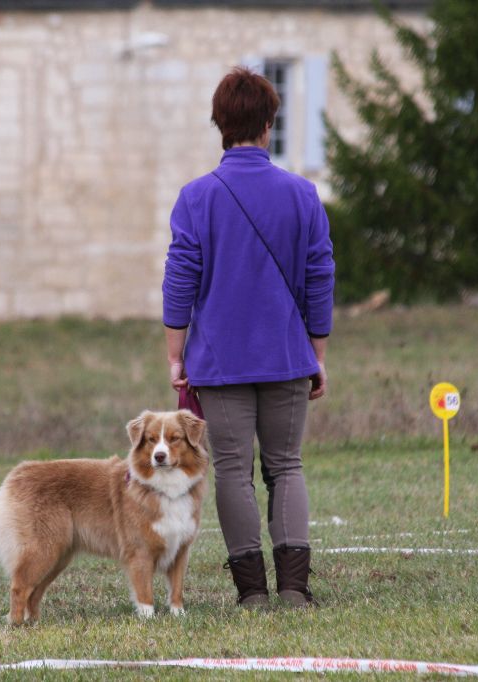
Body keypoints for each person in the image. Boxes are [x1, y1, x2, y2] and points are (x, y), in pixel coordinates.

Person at [161, 67, 335, 608]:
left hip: (218, 361)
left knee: (232, 470)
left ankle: (252, 594)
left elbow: (179, 279)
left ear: (220, 124)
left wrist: (175, 355)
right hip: (287, 355)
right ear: (267, 125)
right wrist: (318, 354)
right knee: (286, 465)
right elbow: (319, 276)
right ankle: (296, 590)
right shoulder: (303, 194)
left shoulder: (195, 197)